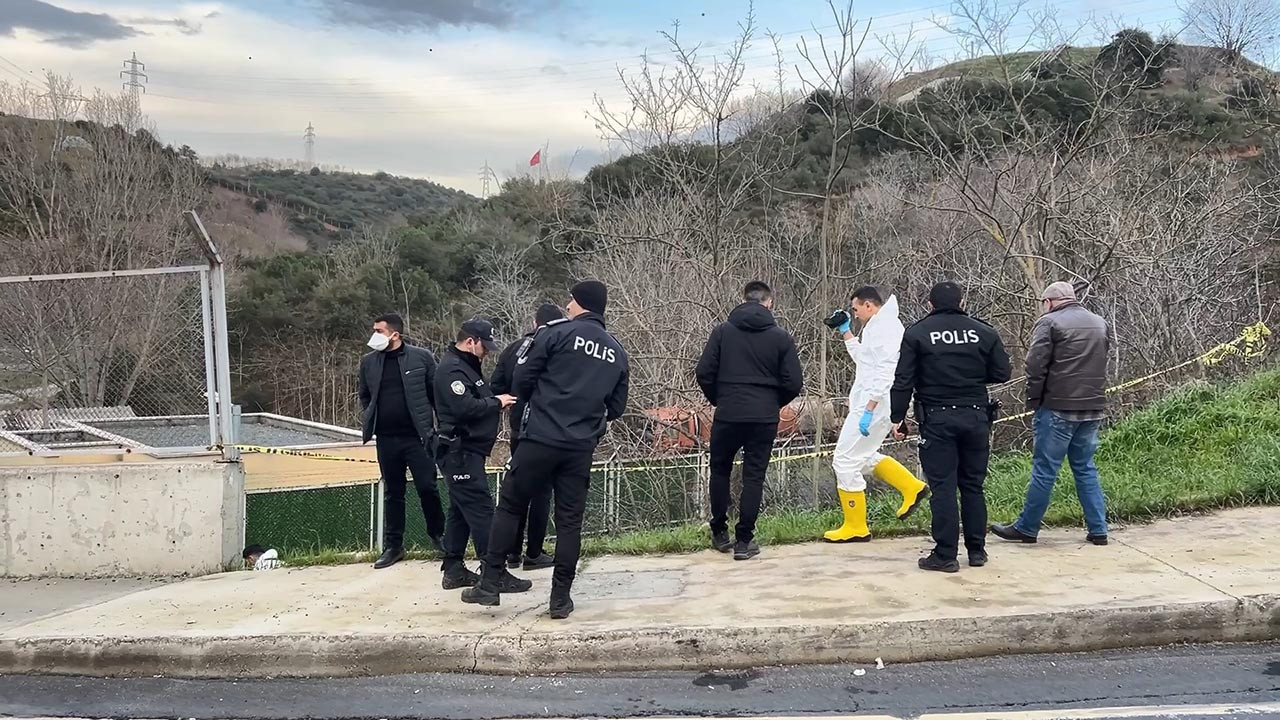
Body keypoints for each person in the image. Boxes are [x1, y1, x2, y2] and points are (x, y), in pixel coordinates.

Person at [462, 280, 628, 620]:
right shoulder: (616, 351)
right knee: (570, 523)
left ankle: (490, 583)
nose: (567, 305)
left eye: (571, 299)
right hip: (580, 446)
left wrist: (543, 404)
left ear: (580, 303)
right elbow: (616, 407)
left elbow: (522, 378)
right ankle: (560, 599)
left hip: (539, 438)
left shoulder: (555, 334)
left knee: (510, 506)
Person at [890, 281, 1011, 573]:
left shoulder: (917, 333)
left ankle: (945, 554)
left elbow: (903, 380)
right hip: (976, 416)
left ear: (930, 304)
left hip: (937, 418)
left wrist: (898, 418)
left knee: (943, 487)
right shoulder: (983, 331)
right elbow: (1002, 372)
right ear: (962, 302)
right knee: (973, 485)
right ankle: (977, 550)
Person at [992, 281, 1111, 546]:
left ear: (1049, 302)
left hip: (1058, 406)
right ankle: (1099, 528)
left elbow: (1035, 364)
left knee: (1045, 469)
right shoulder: (1099, 322)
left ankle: (1027, 527)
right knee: (1085, 468)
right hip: (1092, 406)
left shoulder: (1049, 323)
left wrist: (1034, 399)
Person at [695, 281, 803, 561]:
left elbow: (704, 371)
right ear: (769, 303)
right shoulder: (781, 338)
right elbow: (794, 382)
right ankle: (744, 541)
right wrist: (772, 402)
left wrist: (719, 398)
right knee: (754, 476)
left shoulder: (722, 332)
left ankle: (719, 532)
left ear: (743, 300)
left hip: (728, 412)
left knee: (719, 470)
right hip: (763, 416)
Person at [824, 287, 929, 543]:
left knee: (844, 460)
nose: (855, 313)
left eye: (856, 309)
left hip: (874, 405)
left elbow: (886, 372)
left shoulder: (886, 329)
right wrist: (846, 331)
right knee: (862, 456)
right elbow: (865, 360)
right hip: (872, 403)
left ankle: (856, 526)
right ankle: (911, 487)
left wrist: (869, 409)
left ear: (869, 305)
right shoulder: (876, 327)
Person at [433, 318, 520, 590]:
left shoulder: (468, 368)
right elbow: (464, 408)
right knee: (482, 511)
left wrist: (492, 403)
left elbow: (475, 402)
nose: (488, 352)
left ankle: (454, 568)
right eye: (485, 347)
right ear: (470, 341)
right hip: (460, 451)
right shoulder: (452, 370)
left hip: (469, 451)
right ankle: (495, 572)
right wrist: (496, 402)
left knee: (460, 511)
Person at [358, 312, 446, 570]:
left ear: (395, 334)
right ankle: (394, 546)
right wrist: (372, 418)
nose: (374, 335)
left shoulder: (422, 358)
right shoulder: (368, 362)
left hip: (418, 438)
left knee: (427, 488)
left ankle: (439, 537)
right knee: (393, 492)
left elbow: (436, 395)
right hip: (386, 439)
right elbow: (365, 395)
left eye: (379, 331)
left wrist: (440, 429)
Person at [490, 303, 567, 571]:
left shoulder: (514, 349)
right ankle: (534, 551)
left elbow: (495, 387)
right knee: (542, 493)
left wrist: (513, 399)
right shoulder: (559, 347)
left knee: (516, 491)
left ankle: (511, 551)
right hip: (548, 428)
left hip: (518, 427)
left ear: (535, 323)